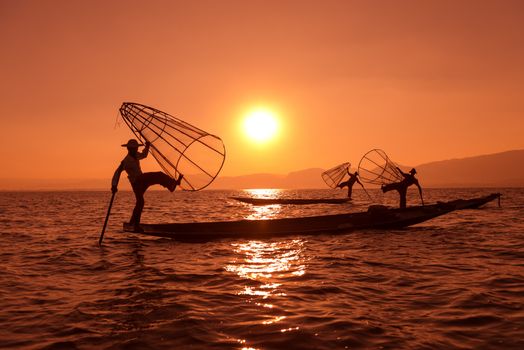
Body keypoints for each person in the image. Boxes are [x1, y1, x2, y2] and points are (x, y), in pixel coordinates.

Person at [111, 139, 184, 232]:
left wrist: (147, 146)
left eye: (136, 148)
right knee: (157, 177)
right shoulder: (126, 161)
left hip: (142, 180)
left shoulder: (136, 155)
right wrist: (114, 185)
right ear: (129, 149)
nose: (135, 150)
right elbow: (117, 173)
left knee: (141, 201)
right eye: (133, 148)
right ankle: (135, 225)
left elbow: (144, 155)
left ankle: (132, 222)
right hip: (137, 182)